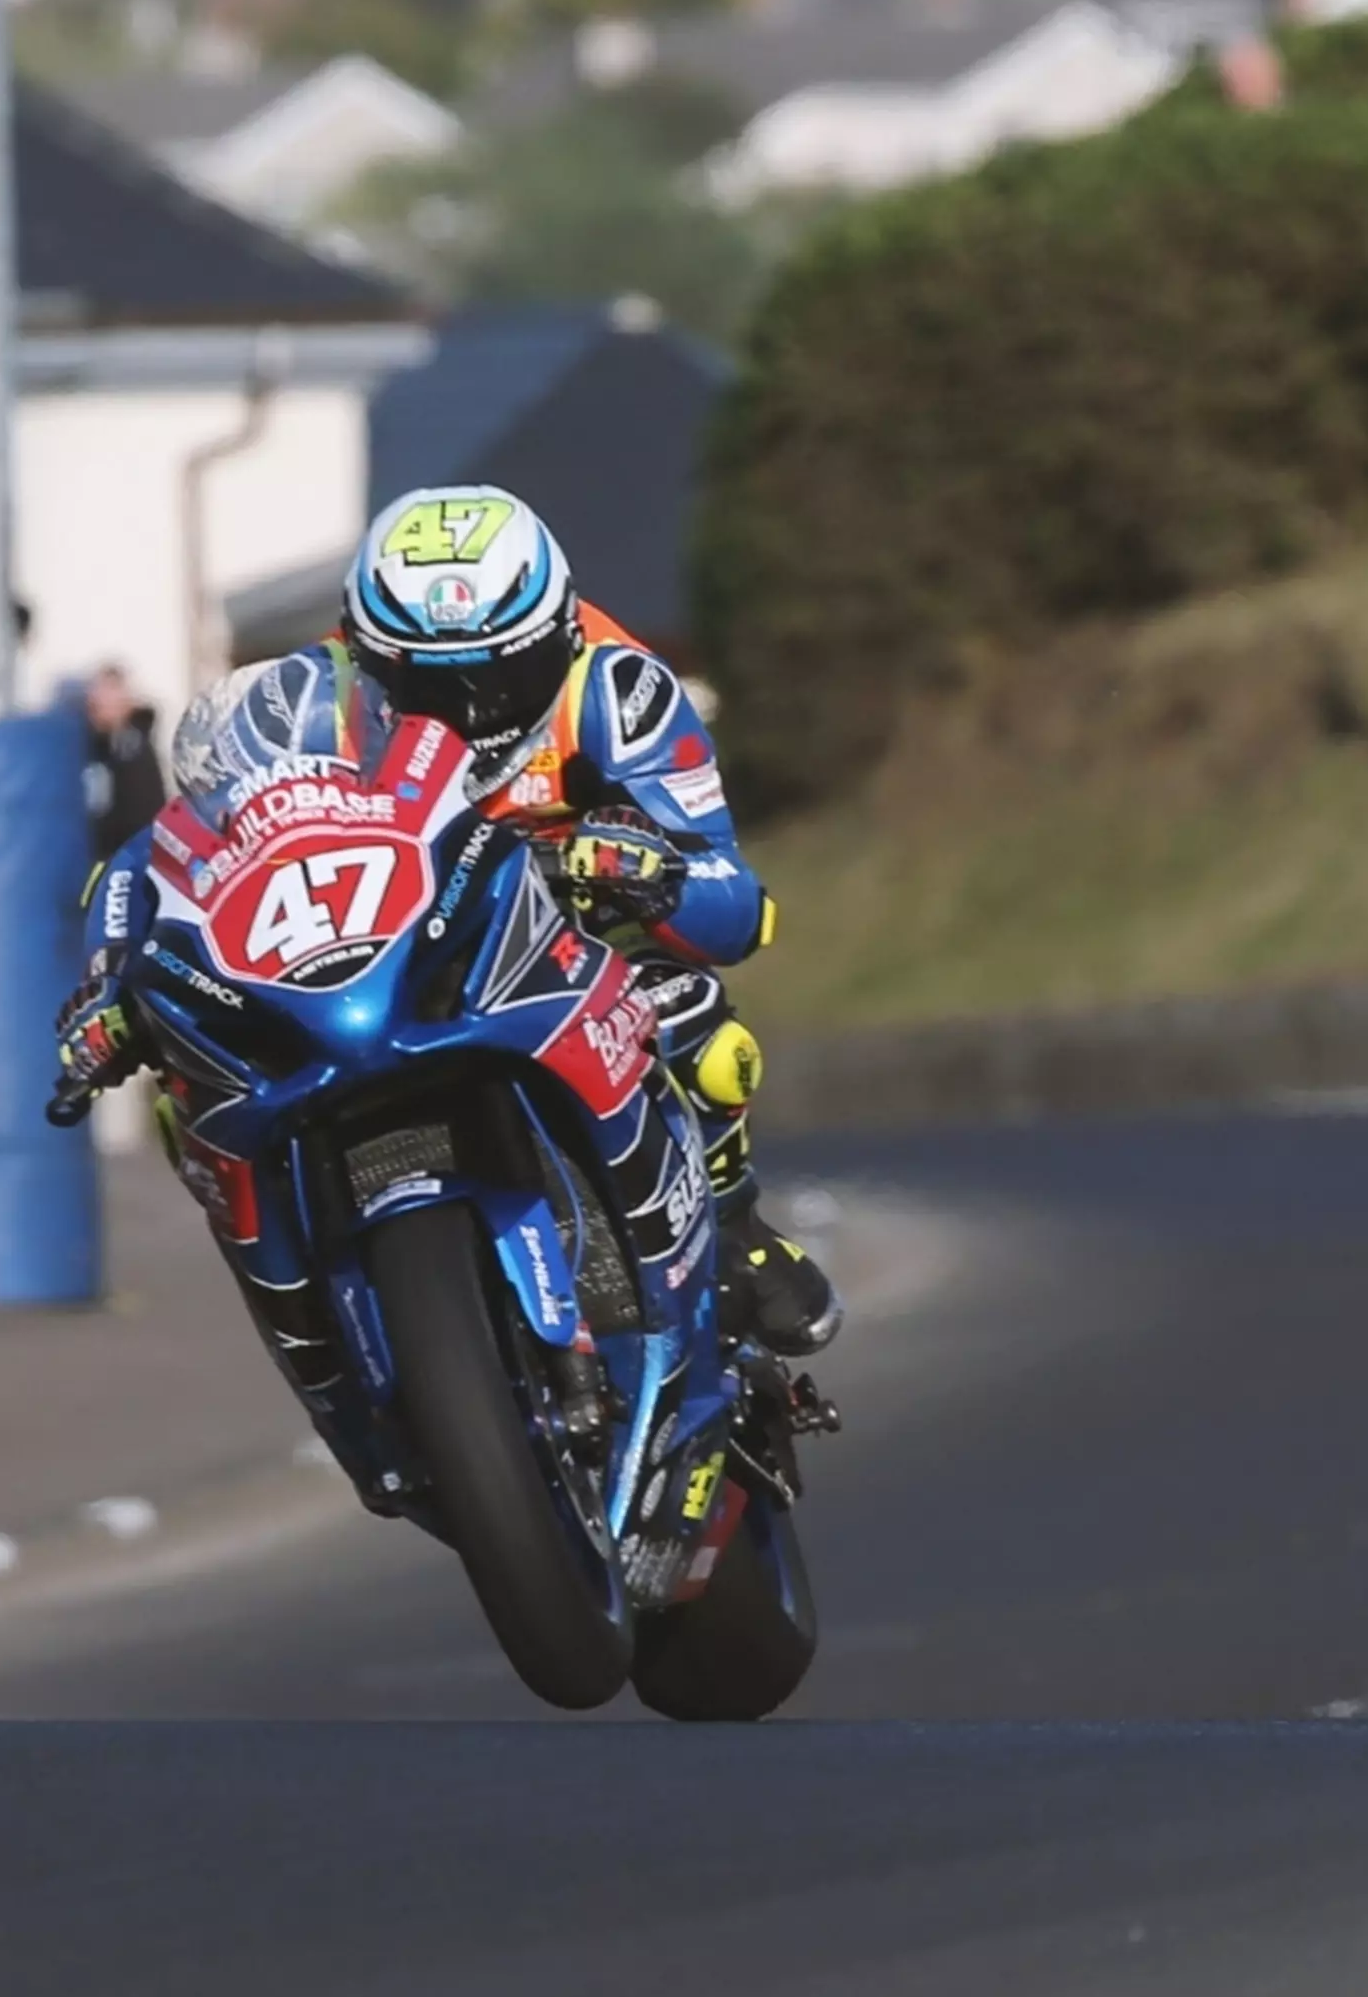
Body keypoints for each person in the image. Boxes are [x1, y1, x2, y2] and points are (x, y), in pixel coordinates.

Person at [57, 484, 839, 1357]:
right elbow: (175, 850)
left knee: (689, 1010)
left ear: (559, 633)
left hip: (555, 934)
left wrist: (652, 875)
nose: (469, 711)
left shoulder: (620, 693)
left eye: (500, 673)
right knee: (191, 1099)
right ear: (367, 652)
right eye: (424, 687)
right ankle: (317, 1330)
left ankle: (733, 1229)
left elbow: (731, 906)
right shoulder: (305, 700)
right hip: (372, 946)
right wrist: (115, 980)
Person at [81, 664, 164, 863]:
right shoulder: (90, 749)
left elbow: (144, 811)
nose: (101, 701)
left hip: (125, 860)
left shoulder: (133, 750)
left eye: (110, 692)